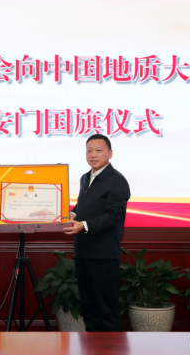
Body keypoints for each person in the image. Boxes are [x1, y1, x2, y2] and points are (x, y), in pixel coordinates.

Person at [64, 134, 131, 331]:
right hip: (83, 252)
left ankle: (111, 347)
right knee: (89, 307)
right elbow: (84, 205)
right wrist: (72, 213)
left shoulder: (117, 180)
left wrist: (83, 225)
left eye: (99, 150)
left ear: (110, 153)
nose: (93, 155)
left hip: (103, 254)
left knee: (106, 309)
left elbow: (114, 215)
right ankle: (93, 345)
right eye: (89, 150)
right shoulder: (85, 177)